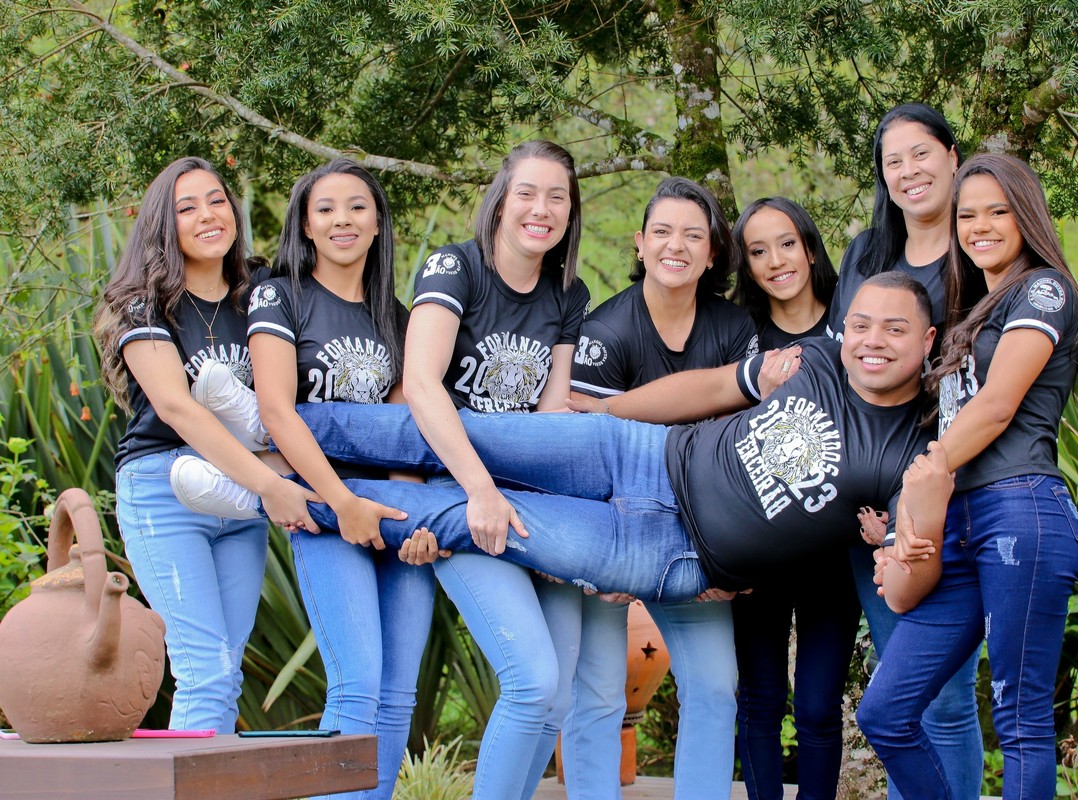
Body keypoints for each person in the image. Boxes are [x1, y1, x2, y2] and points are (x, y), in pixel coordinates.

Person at [182, 274, 942, 616]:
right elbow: (711, 389)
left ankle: (264, 494)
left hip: (668, 553)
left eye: (895, 330)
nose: (872, 341)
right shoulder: (817, 360)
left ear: (929, 341)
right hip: (639, 454)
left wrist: (905, 553)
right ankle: (264, 427)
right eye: (863, 325)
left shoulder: (908, 457)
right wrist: (605, 412)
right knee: (455, 433)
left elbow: (903, 590)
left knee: (469, 519)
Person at [179, 158, 437, 800]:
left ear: (377, 223)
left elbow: (406, 426)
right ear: (305, 225)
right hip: (323, 512)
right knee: (358, 683)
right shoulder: (281, 296)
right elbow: (276, 411)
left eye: (357, 207)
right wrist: (342, 502)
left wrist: (414, 518)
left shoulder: (398, 317)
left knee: (397, 695)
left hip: (395, 515)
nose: (342, 220)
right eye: (325, 209)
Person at [857, 153, 1078, 800]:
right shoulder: (979, 308)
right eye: (967, 215)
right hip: (959, 521)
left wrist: (924, 476)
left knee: (1020, 719)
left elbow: (995, 406)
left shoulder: (1043, 291)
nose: (980, 226)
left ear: (1027, 217)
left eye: (998, 211)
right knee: (885, 711)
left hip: (1021, 510)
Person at [94, 156, 317, 732]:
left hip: (239, 496)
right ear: (162, 226)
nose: (208, 215)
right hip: (166, 490)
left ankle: (206, 771)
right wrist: (272, 486)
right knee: (205, 670)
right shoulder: (144, 305)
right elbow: (176, 407)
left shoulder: (260, 296)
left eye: (217, 200)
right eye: (186, 208)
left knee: (226, 669)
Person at [401, 140, 590, 799]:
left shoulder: (568, 292)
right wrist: (479, 491)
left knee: (559, 697)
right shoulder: (455, 267)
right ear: (501, 201)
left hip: (532, 502)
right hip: (460, 498)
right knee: (532, 681)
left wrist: (560, 527)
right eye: (527, 193)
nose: (542, 209)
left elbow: (552, 413)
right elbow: (420, 383)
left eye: (558, 197)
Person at [563, 176, 756, 800]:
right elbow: (585, 453)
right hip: (612, 532)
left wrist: (727, 556)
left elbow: (743, 452)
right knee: (597, 691)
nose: (677, 245)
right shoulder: (604, 330)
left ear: (713, 252)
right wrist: (606, 563)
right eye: (664, 232)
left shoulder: (735, 328)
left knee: (715, 685)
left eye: (693, 235)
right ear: (640, 243)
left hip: (697, 538)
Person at [825, 102, 985, 800]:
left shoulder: (978, 253)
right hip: (867, 492)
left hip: (948, 490)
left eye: (921, 153)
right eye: (893, 161)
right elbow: (843, 359)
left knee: (943, 697)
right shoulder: (868, 253)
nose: (909, 171)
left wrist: (932, 484)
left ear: (952, 156)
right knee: (899, 690)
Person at [727, 197, 853, 800]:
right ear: (746, 265)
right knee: (760, 699)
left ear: (809, 247)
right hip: (760, 544)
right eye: (758, 251)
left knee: (819, 706)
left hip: (834, 545)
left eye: (786, 244)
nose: (776, 261)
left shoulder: (851, 323)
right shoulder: (738, 336)